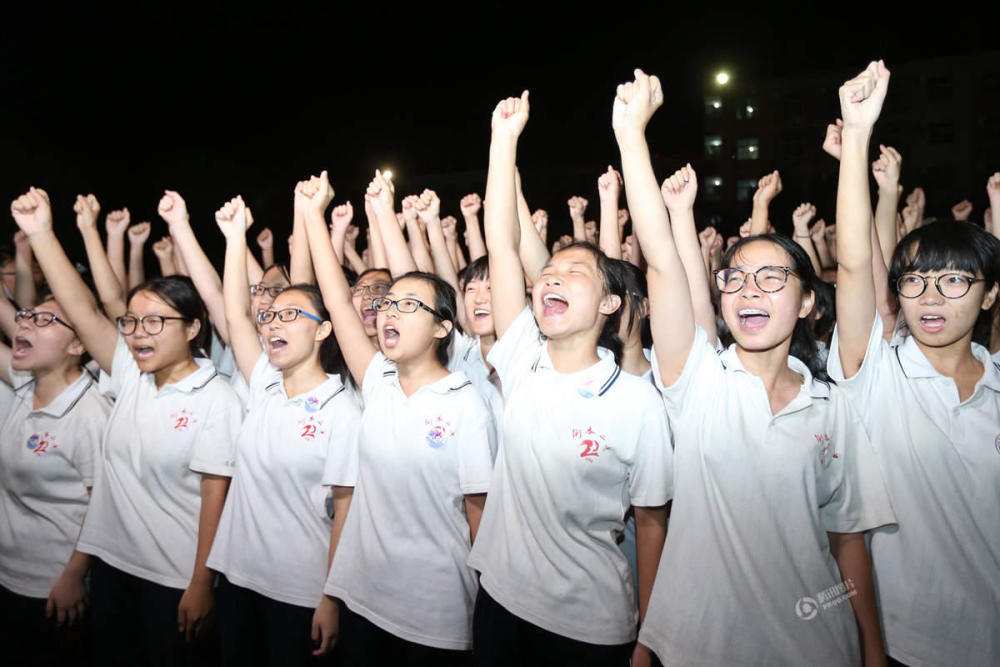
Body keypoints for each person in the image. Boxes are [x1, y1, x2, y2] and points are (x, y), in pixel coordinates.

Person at [611, 69, 895, 666]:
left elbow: (847, 542)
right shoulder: (698, 378)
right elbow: (661, 264)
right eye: (735, 279)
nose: (749, 292)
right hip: (699, 647)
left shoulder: (831, 404)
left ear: (808, 301)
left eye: (772, 279)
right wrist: (630, 132)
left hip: (814, 648)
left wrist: (871, 651)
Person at [468, 90, 673, 667]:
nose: (551, 277)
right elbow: (502, 246)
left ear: (610, 303)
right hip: (500, 601)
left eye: (574, 272)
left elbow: (652, 523)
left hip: (591, 626)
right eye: (549, 272)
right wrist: (502, 140)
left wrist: (648, 633)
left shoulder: (637, 403)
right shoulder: (520, 359)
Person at [11, 186, 242, 666]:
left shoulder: (216, 396)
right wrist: (42, 234)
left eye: (156, 322)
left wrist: (202, 583)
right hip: (113, 569)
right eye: (132, 322)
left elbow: (214, 497)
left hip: (172, 579)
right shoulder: (130, 376)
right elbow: (82, 310)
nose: (139, 332)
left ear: (193, 328)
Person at [830, 60, 1000, 666]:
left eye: (955, 279)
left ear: (989, 294)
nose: (931, 295)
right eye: (917, 280)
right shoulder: (880, 370)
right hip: (902, 646)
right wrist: (857, 134)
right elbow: (855, 264)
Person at [300, 170, 496, 665]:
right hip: (363, 599)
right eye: (388, 304)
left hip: (436, 615)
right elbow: (335, 294)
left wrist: (488, 619)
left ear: (442, 328)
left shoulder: (465, 403)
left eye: (409, 306)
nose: (389, 312)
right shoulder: (377, 382)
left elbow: (480, 520)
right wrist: (313, 216)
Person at [207, 195, 360, 666]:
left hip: (299, 593)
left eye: (292, 314)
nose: (274, 322)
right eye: (271, 315)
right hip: (235, 579)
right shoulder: (265, 385)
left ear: (322, 331)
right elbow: (235, 317)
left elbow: (345, 510)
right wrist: (234, 238)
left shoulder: (343, 409)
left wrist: (331, 598)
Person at [0, 291, 111, 667]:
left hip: (55, 588)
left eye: (45, 320)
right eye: (26, 316)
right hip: (10, 574)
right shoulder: (24, 386)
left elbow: (104, 507)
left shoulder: (90, 413)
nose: (26, 322)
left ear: (79, 344)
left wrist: (74, 577)